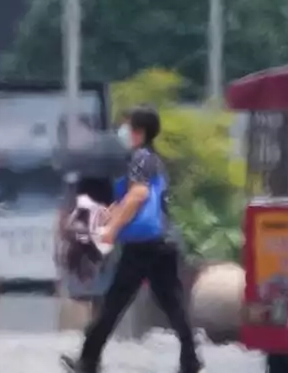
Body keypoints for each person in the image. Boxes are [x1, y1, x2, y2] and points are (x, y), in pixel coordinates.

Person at [62, 106, 202, 373]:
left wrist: (112, 228)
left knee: (114, 302)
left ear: (139, 132)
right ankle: (191, 360)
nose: (122, 132)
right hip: (160, 242)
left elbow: (137, 196)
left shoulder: (140, 158)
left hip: (145, 245)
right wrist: (107, 215)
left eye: (127, 127)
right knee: (171, 304)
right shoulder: (151, 159)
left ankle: (88, 361)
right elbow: (136, 199)